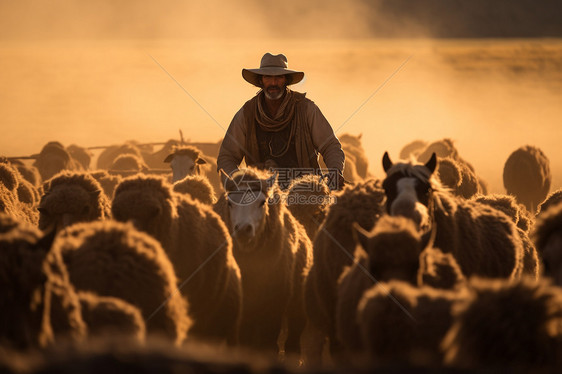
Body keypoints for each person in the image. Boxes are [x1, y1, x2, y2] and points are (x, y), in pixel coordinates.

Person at [217, 52, 345, 190]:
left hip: (306, 190)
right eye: (268, 77)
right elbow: (227, 157)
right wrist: (240, 184)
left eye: (279, 77)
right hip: (261, 194)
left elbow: (330, 146)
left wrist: (334, 172)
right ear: (260, 80)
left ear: (286, 80)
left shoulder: (306, 109)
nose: (273, 83)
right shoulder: (246, 114)